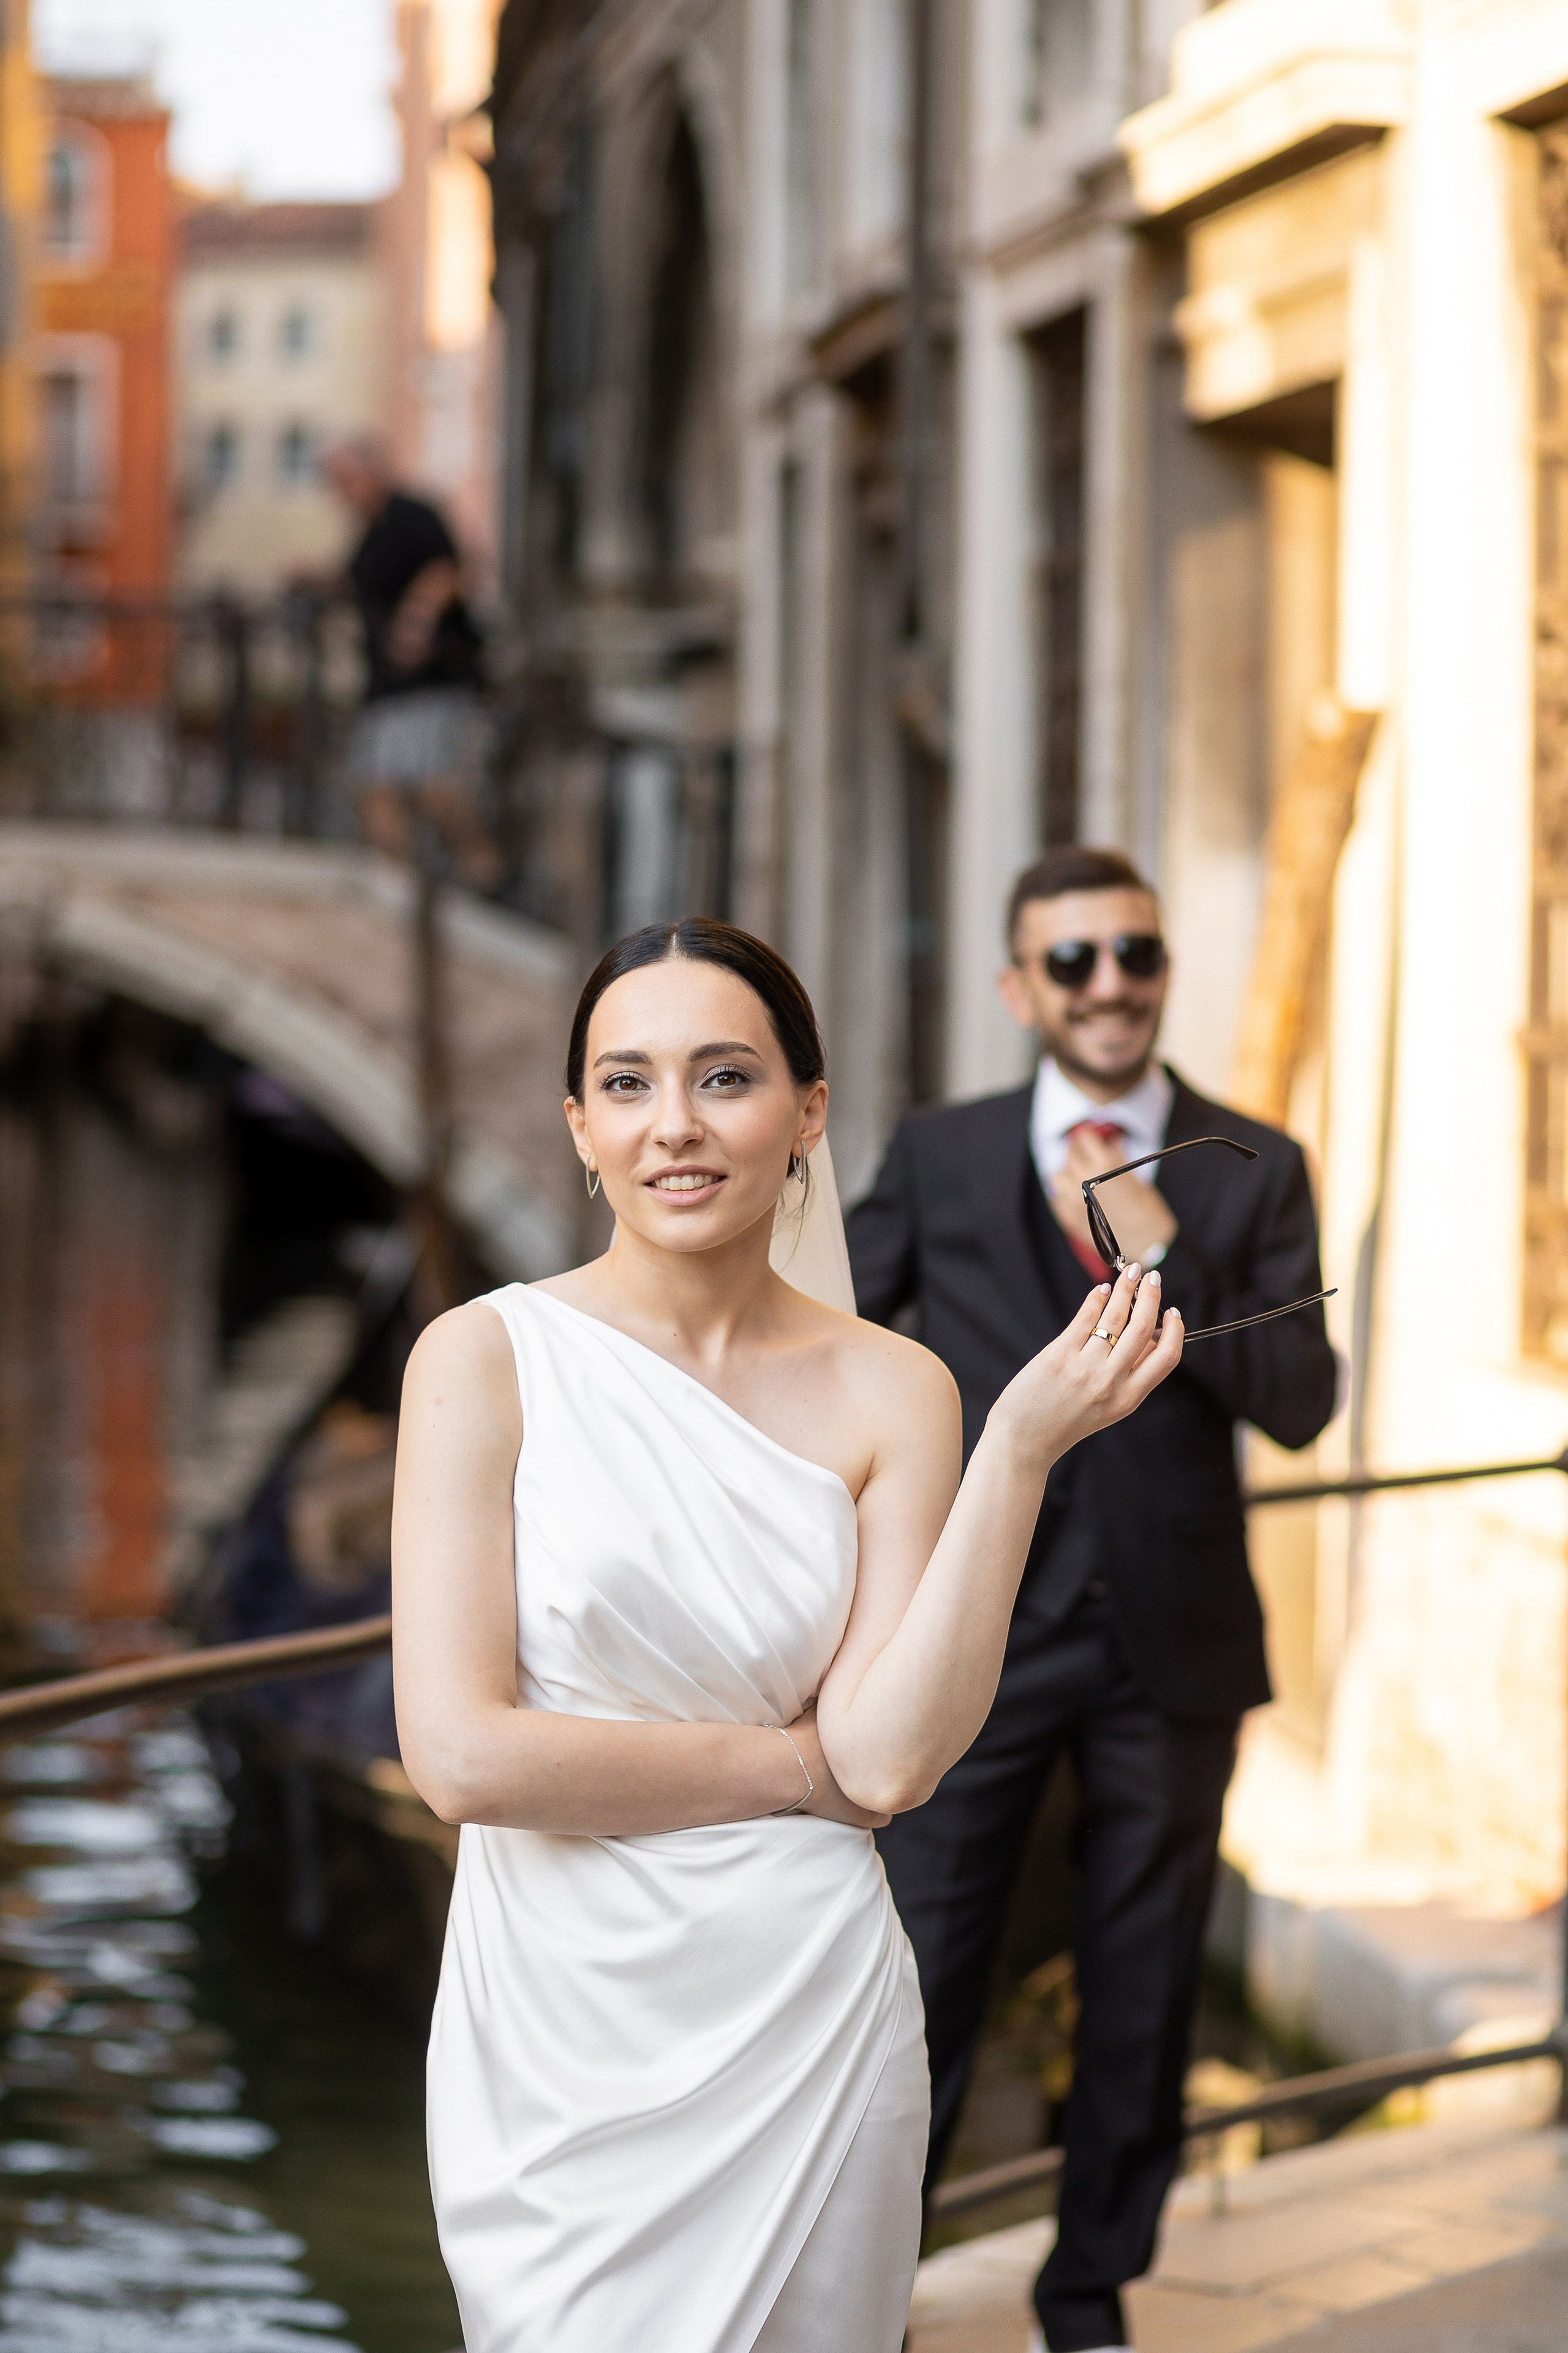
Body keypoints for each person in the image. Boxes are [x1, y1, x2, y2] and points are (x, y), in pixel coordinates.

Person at [391, 916, 1184, 2353]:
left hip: (812, 2014)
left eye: (724, 1076)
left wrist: (1016, 1449)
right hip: (557, 2034)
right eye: (626, 1083)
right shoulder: (481, 1358)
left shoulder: (903, 1389)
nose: (674, 1125)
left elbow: (884, 1762)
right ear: (577, 1125)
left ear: (807, 1109)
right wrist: (785, 1769)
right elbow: (458, 1757)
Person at [846, 845, 1337, 2353]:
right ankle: (863, 2293)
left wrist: (1167, 1251)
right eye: (1072, 960)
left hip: (1170, 1643)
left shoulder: (1252, 1162)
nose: (1107, 983)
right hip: (975, 1637)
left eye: (1132, 953)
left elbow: (1300, 1402)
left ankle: (1088, 2299)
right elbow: (833, 1342)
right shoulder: (938, 1152)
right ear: (1019, 988)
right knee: (919, 1971)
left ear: (1161, 971)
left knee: (1143, 1984)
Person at [322, 438, 499, 887]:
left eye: (347, 480)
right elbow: (362, 588)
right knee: (376, 789)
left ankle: (484, 869)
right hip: (387, 685)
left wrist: (416, 620)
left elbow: (450, 569)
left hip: (432, 679)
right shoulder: (369, 535)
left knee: (434, 786)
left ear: (373, 474)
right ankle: (398, 887)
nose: (341, 492)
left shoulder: (412, 515)